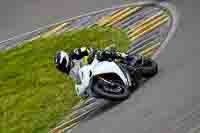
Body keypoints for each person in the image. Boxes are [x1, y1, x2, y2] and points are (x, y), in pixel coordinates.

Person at [53, 46, 144, 96]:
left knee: (104, 53)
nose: (63, 69)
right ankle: (112, 83)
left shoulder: (74, 54)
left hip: (94, 60)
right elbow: (78, 80)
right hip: (91, 72)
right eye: (60, 68)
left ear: (66, 59)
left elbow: (87, 49)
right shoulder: (70, 72)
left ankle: (128, 57)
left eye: (62, 65)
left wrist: (90, 55)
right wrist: (82, 92)